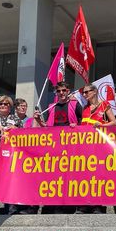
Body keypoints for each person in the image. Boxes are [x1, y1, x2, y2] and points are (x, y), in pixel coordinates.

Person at [31, 81, 82, 214]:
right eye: (58, 91)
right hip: (55, 147)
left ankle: (69, 204)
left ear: (68, 91)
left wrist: (76, 128)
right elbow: (47, 127)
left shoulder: (75, 105)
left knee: (69, 175)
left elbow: (84, 125)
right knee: (54, 175)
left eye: (64, 90)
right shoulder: (51, 106)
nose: (61, 93)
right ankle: (53, 203)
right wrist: (38, 120)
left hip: (71, 146)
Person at [77, 84, 116, 214]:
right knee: (85, 177)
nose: (84, 94)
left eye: (86, 92)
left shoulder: (104, 105)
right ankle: (84, 205)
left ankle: (98, 205)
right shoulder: (85, 108)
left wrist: (102, 124)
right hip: (86, 147)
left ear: (94, 92)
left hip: (100, 146)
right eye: (83, 92)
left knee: (98, 177)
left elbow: (114, 123)